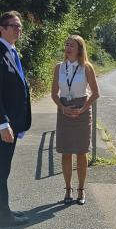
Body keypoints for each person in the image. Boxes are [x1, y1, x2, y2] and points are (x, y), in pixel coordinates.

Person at [0, 11, 32, 225]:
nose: (18, 29)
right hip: (2, 124)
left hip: (12, 122)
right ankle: (0, 213)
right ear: (1, 28)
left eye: (20, 26)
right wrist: (3, 124)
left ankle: (0, 209)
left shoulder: (11, 51)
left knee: (2, 167)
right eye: (14, 26)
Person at [50, 35, 100, 205]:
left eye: (72, 45)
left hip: (82, 111)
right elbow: (54, 93)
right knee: (65, 150)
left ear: (80, 49)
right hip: (64, 110)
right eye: (66, 45)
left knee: (81, 151)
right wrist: (63, 108)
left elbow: (95, 93)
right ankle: (68, 189)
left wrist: (82, 110)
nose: (68, 48)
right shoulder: (59, 67)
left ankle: (81, 188)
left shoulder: (86, 67)